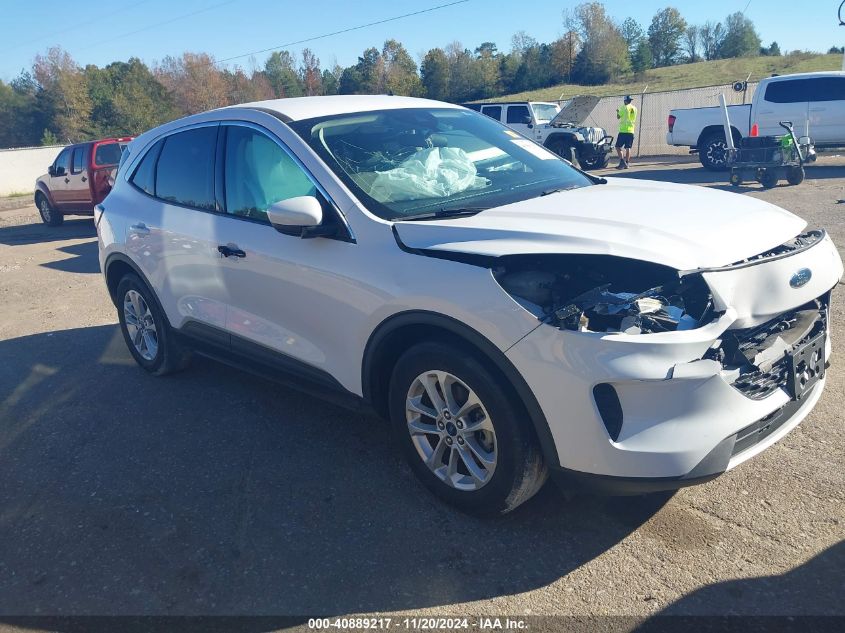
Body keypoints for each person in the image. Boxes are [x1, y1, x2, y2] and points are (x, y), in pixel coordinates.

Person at [615, 95, 637, 169]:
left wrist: (617, 112)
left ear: (625, 101)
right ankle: (627, 163)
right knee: (628, 147)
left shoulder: (623, 107)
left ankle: (622, 162)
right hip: (631, 130)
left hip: (623, 130)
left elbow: (618, 117)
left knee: (618, 146)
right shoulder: (634, 108)